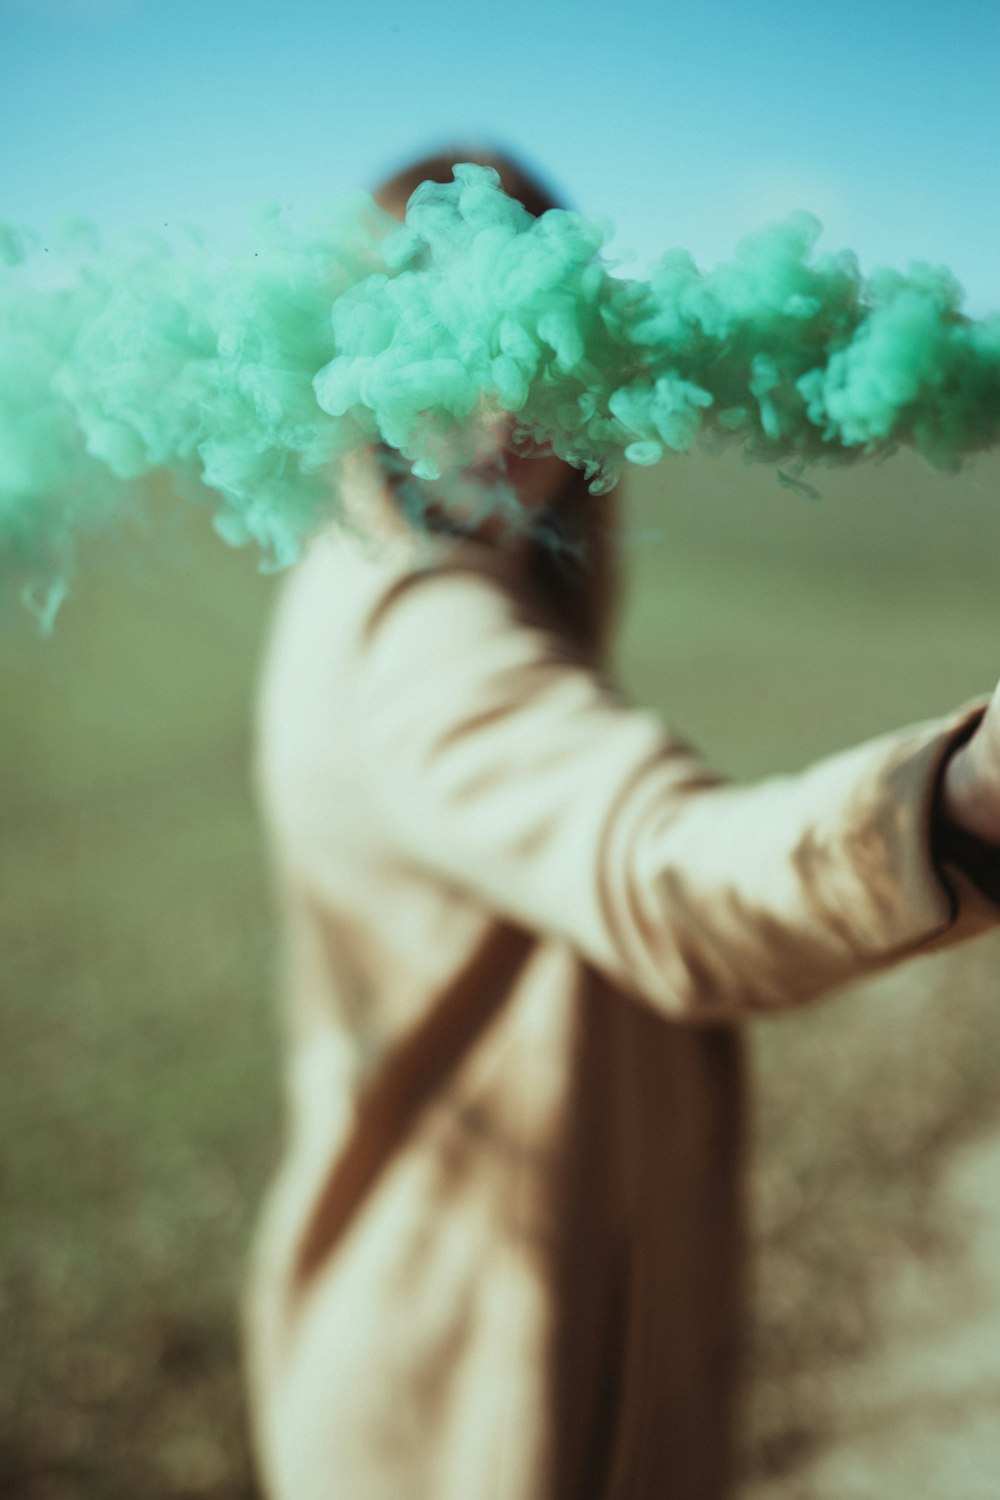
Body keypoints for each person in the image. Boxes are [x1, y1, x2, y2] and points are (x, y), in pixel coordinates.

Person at [243, 144, 1000, 1500]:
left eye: (530, 331)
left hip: (485, 1351)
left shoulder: (392, 577)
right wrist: (965, 796)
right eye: (440, 334)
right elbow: (662, 876)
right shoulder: (423, 630)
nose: (502, 399)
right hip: (484, 1405)